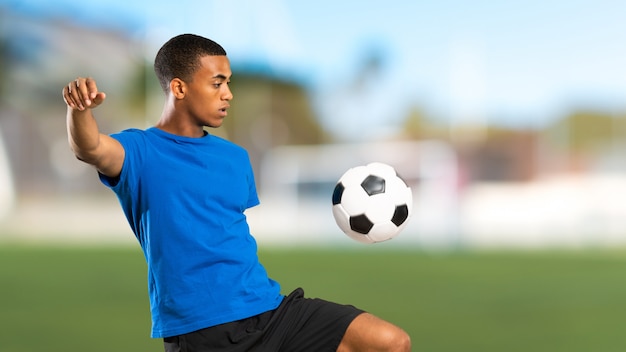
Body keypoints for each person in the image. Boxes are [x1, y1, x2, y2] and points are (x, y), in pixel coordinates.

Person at [62, 33, 411, 352]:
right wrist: (79, 111)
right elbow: (89, 148)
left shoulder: (234, 157)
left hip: (269, 311)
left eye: (228, 82)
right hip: (202, 334)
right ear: (179, 88)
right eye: (217, 83)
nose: (228, 93)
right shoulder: (140, 151)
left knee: (390, 342)